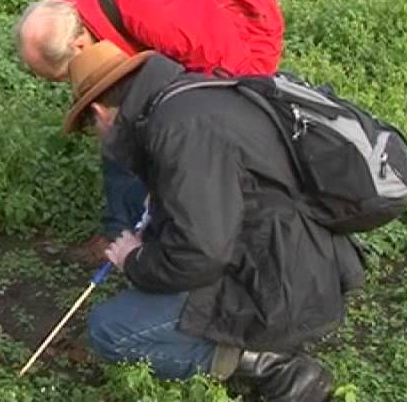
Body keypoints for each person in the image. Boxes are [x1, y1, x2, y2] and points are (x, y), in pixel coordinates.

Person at [65, 41, 364, 402]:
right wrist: (163, 207)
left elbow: (201, 256)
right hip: (304, 257)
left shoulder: (177, 130)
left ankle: (268, 363)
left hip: (278, 283)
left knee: (109, 330)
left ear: (101, 112)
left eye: (89, 128)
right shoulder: (191, 97)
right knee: (135, 203)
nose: (96, 138)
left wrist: (135, 260)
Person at [15, 0, 284, 255]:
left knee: (189, 135)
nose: (74, 86)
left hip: (241, 35)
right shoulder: (63, 0)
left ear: (80, 45)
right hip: (158, 30)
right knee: (118, 120)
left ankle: (204, 236)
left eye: (66, 75)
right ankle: (121, 233)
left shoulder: (156, 12)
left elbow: (238, 71)